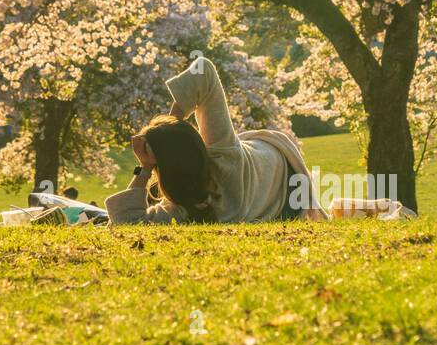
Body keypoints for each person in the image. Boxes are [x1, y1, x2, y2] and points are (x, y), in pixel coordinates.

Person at [105, 56, 328, 224]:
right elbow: (204, 70)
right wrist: (168, 127)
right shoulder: (223, 153)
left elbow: (126, 221)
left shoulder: (184, 210)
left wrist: (145, 168)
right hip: (282, 172)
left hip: (281, 191)